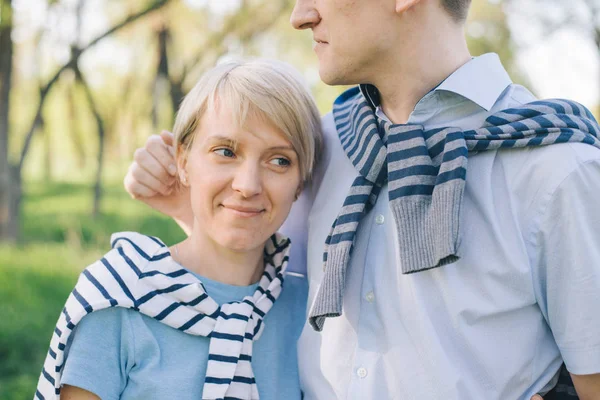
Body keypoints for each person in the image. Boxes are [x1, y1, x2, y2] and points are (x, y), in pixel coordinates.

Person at [124, 0, 600, 398]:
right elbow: (264, 287)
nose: (300, 15)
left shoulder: (556, 170)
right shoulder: (318, 149)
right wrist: (189, 210)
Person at [35, 59, 322, 400]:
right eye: (225, 151)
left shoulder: (311, 312)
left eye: (279, 160)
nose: (248, 185)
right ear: (183, 162)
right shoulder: (119, 299)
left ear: (300, 183)